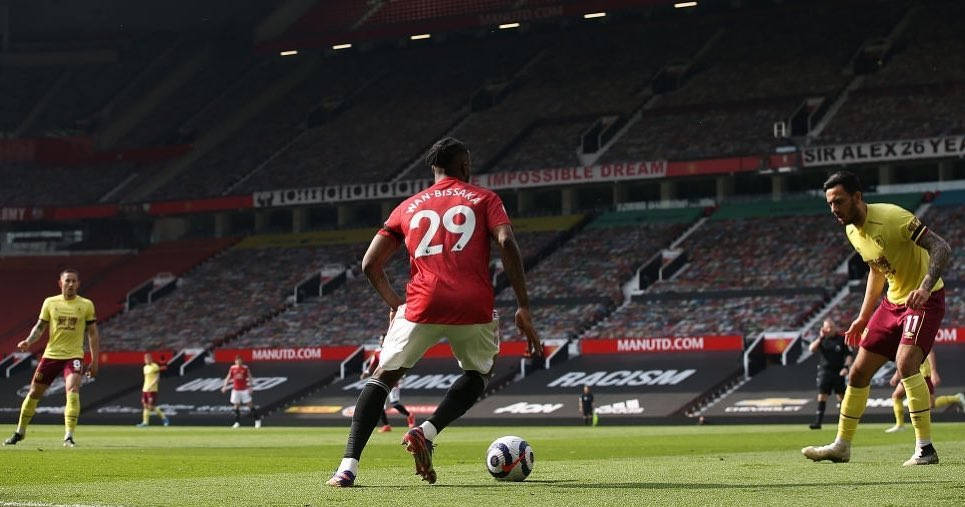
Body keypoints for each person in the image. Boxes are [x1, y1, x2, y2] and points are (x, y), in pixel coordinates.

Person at [327, 137, 542, 487]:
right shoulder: (486, 199)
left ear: (434, 168)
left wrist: (396, 305)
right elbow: (505, 241)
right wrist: (523, 306)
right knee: (478, 374)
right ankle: (426, 432)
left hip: (422, 303)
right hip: (473, 306)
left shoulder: (407, 207)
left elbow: (369, 264)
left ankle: (347, 468)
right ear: (465, 165)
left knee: (383, 376)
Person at [803, 171, 951, 466]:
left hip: (925, 299)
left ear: (857, 197)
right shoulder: (851, 231)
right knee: (857, 372)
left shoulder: (893, 218)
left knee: (906, 363)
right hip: (892, 302)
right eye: (830, 204)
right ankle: (842, 446)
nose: (834, 209)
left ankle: (925, 448)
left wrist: (923, 288)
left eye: (839, 202)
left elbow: (941, 248)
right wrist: (862, 318)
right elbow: (877, 271)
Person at [4, 269, 100, 447]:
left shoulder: (86, 305)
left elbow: (93, 334)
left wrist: (94, 361)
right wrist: (28, 341)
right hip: (51, 355)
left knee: (72, 390)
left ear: (78, 284)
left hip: (74, 355)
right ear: (60, 283)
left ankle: (69, 436)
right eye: (67, 281)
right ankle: (19, 432)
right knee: (34, 393)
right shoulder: (50, 302)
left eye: (73, 281)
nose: (70, 284)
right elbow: (40, 327)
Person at [886, 351, 965, 433]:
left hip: (922, 373)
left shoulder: (917, 338)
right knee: (896, 396)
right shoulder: (902, 340)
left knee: (931, 404)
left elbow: (930, 352)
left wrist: (933, 371)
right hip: (910, 372)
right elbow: (902, 357)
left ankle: (956, 398)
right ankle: (900, 425)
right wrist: (897, 374)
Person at [361, 339, 416, 433]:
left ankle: (409, 415)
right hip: (382, 381)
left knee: (394, 403)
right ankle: (386, 425)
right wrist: (366, 372)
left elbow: (401, 363)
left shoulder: (394, 350)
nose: (382, 341)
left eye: (384, 339)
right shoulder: (377, 352)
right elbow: (372, 365)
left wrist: (401, 375)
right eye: (381, 340)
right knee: (380, 405)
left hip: (393, 380)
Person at [808, 319, 853, 429]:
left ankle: (843, 422)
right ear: (823, 328)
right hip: (825, 372)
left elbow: (848, 355)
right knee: (822, 396)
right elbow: (811, 349)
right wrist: (820, 337)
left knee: (841, 397)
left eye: (832, 327)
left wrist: (846, 367)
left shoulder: (841, 339)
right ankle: (818, 422)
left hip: (839, 372)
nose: (830, 329)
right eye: (828, 327)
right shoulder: (822, 340)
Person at [220, 356, 262, 429]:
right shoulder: (232, 368)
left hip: (244, 390)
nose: (238, 362)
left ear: (242, 361)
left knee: (250, 405)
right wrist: (224, 386)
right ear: (235, 361)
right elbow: (228, 377)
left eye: (240, 360)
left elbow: (250, 377)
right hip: (235, 390)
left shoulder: (245, 368)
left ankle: (257, 420)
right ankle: (237, 422)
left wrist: (251, 387)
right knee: (236, 406)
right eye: (237, 361)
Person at [136, 352, 170, 427]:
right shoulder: (145, 367)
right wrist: (145, 387)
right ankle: (145, 422)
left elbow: (157, 378)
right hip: (145, 389)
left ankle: (164, 418)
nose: (145, 360)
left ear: (150, 359)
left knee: (151, 406)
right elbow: (146, 378)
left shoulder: (155, 366)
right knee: (145, 405)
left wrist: (151, 385)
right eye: (145, 359)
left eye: (147, 359)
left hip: (152, 389)